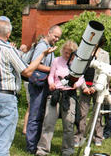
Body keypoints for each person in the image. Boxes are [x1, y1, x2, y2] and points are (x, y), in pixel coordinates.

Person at [0, 19, 56, 156]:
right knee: (2, 143)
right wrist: (42, 55)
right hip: (4, 97)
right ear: (8, 34)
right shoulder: (8, 49)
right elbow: (26, 71)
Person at [36, 40, 83, 156]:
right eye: (65, 52)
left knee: (69, 124)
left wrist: (76, 85)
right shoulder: (56, 60)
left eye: (69, 53)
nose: (67, 55)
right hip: (55, 93)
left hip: (69, 95)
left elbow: (81, 78)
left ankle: (67, 150)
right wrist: (51, 83)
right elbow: (51, 75)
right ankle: (42, 150)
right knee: (48, 122)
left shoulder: (78, 63)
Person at [26, 25, 62, 154]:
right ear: (49, 33)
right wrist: (53, 70)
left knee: (39, 114)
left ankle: (34, 143)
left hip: (43, 83)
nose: (57, 39)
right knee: (35, 115)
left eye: (59, 37)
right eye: (55, 36)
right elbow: (36, 64)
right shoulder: (42, 46)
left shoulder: (48, 47)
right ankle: (31, 146)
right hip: (37, 84)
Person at [74, 42, 110, 147]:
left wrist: (96, 87)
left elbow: (106, 71)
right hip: (85, 85)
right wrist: (84, 87)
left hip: (98, 87)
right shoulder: (84, 51)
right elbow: (79, 70)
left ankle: (98, 136)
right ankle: (79, 136)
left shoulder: (105, 54)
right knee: (82, 113)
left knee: (98, 113)